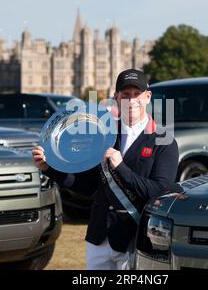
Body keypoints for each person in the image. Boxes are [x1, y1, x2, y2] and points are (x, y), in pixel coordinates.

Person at [32, 68, 179, 270]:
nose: (131, 100)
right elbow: (88, 186)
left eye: (137, 94)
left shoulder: (164, 142)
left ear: (147, 97)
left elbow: (159, 192)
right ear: (116, 98)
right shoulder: (102, 134)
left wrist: (121, 168)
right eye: (125, 94)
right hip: (98, 238)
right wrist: (49, 168)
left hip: (135, 240)